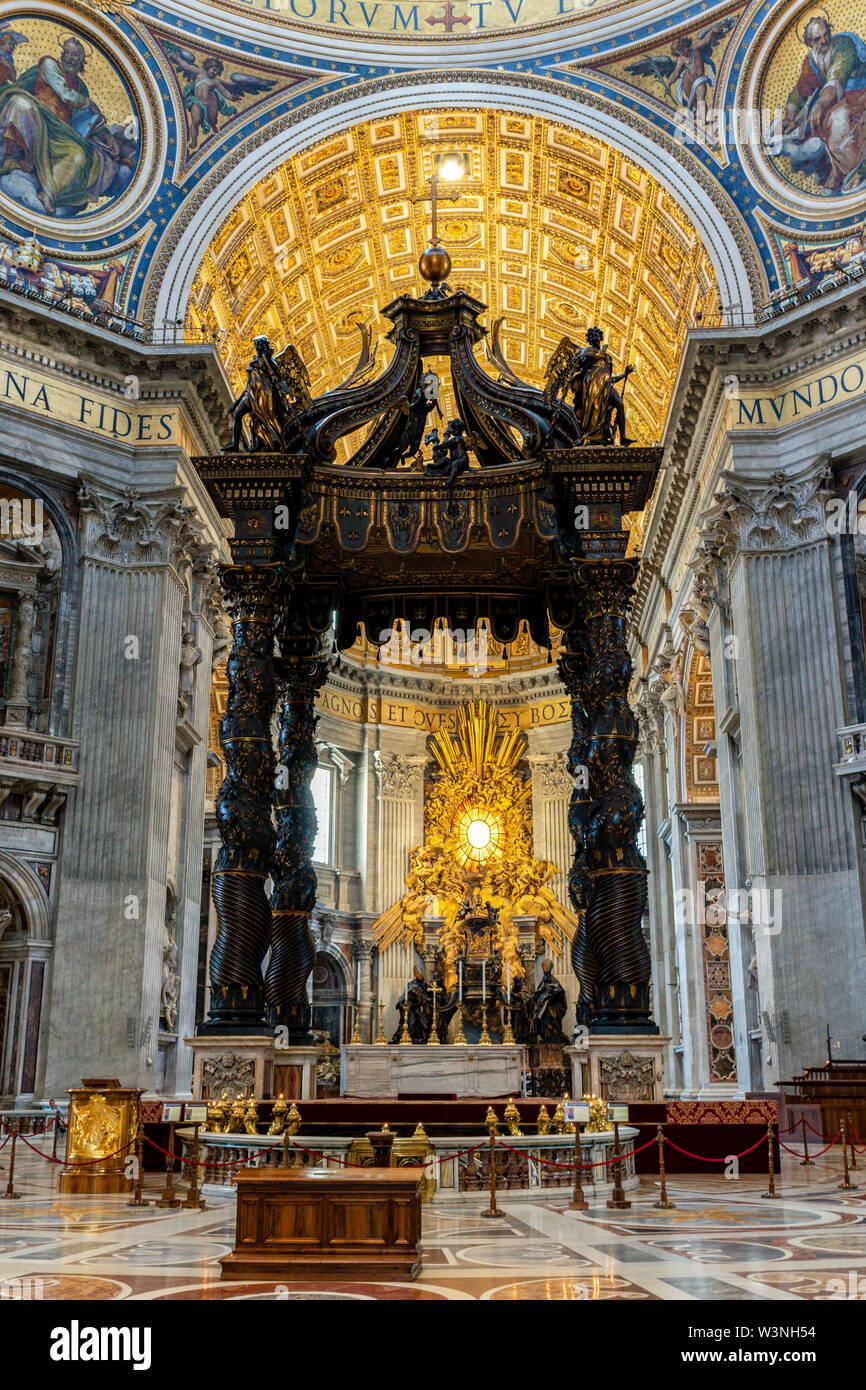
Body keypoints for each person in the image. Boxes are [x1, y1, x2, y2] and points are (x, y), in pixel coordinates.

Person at [780, 16, 866, 193]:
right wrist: (790, 117)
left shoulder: (843, 45)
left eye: (826, 34)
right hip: (840, 98)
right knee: (818, 126)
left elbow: (837, 78)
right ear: (810, 42)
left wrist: (820, 104)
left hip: (860, 92)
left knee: (838, 119)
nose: (825, 40)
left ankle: (857, 170)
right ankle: (840, 171)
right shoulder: (812, 60)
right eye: (818, 39)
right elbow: (801, 91)